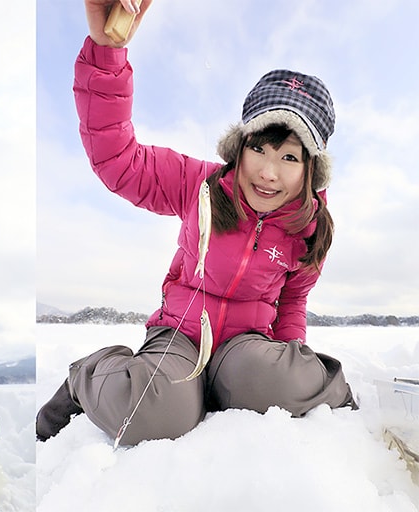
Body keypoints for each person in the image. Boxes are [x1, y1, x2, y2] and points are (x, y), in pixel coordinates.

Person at [36, 0, 357, 446]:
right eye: (260, 150)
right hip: (179, 336)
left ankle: (328, 395)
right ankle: (87, 377)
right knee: (150, 415)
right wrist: (107, 54)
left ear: (309, 170)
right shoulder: (200, 184)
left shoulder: (308, 227)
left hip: (244, 349)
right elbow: (118, 161)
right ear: (239, 147)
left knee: (274, 382)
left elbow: (292, 304)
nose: (268, 172)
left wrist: (286, 372)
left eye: (288, 157)